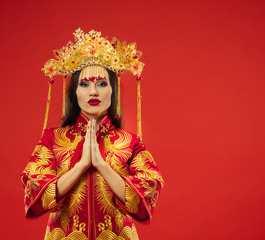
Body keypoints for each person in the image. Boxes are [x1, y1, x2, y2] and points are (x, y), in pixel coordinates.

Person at [21, 29, 164, 240]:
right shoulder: (53, 139)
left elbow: (146, 193)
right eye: (85, 84)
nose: (93, 92)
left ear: (113, 90)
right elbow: (35, 188)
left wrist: (101, 164)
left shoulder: (130, 142)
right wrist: (81, 165)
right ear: (74, 93)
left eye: (102, 84)